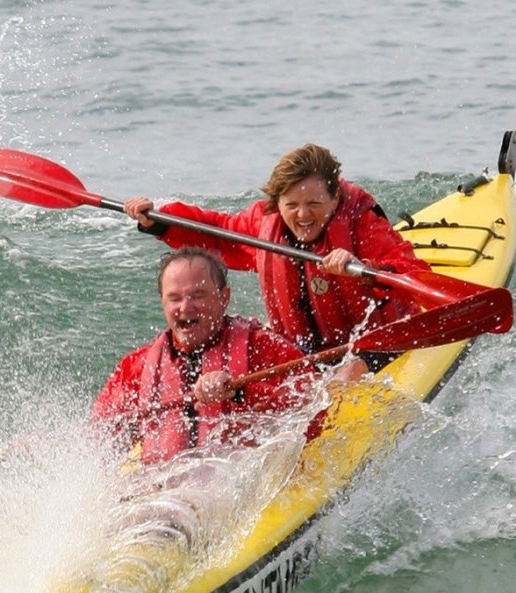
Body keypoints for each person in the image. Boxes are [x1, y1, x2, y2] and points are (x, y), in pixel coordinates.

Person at [123, 143, 435, 378]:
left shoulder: (362, 223)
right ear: (277, 202)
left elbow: (413, 274)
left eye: (314, 203)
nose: (302, 215)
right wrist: (159, 221)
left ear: (335, 197)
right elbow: (216, 234)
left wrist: (365, 270)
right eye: (292, 204)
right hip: (301, 350)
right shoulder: (265, 223)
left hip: (374, 343)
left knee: (350, 371)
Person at [92, 248, 315, 465]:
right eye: (174, 298)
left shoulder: (264, 348)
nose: (185, 307)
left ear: (224, 297)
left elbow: (313, 404)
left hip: (243, 478)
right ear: (162, 301)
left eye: (198, 295)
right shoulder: (135, 367)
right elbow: (100, 439)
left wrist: (240, 392)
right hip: (165, 486)